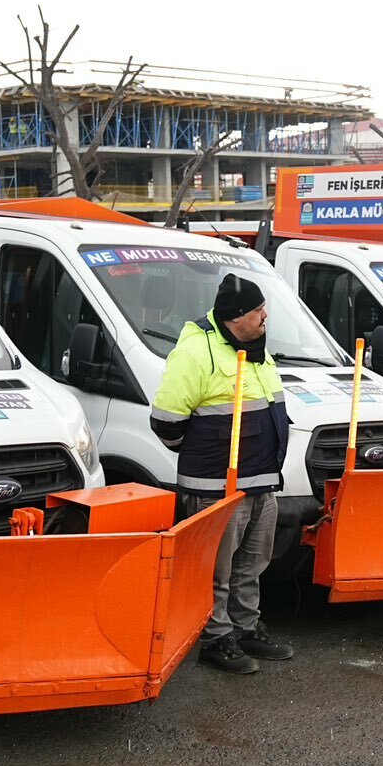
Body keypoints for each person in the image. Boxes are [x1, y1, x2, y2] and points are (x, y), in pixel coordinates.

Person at [151, 272, 294, 675]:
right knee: (217, 567)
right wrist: (207, 456)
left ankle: (245, 627)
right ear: (236, 317)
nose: (265, 315)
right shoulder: (197, 352)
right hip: (217, 484)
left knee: (253, 561)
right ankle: (216, 637)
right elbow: (166, 422)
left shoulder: (256, 347)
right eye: (258, 309)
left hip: (259, 480)